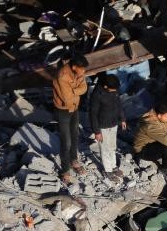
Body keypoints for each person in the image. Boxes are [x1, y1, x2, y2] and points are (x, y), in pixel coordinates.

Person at [51, 53, 89, 184]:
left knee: (75, 136)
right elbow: (67, 98)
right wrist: (76, 91)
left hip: (75, 108)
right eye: (82, 69)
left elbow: (84, 88)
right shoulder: (62, 76)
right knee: (66, 141)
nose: (84, 72)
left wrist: (74, 91)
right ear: (74, 67)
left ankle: (74, 160)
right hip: (63, 110)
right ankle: (65, 170)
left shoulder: (79, 73)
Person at [89, 74, 126, 179]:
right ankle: (107, 170)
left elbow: (119, 105)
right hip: (102, 126)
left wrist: (122, 119)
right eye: (112, 89)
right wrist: (97, 131)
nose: (115, 91)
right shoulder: (97, 94)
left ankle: (114, 166)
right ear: (105, 86)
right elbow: (93, 114)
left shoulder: (114, 90)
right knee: (105, 148)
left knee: (112, 146)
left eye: (116, 90)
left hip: (114, 123)